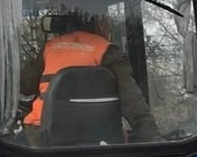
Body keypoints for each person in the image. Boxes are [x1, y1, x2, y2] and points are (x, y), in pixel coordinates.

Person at [18, 12, 161, 143]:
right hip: (97, 134)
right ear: (100, 24)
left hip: (43, 135)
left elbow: (25, 86)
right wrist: (155, 141)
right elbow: (133, 103)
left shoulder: (50, 47)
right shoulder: (106, 50)